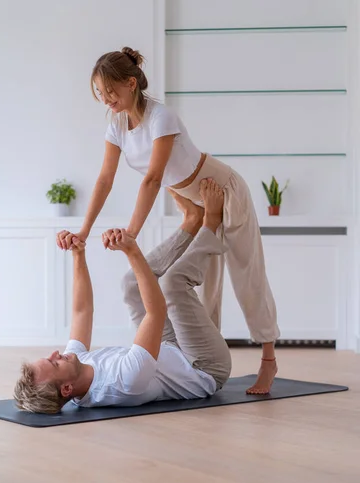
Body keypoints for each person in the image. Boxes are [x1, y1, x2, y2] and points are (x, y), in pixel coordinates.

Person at [56, 47, 280, 395]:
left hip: (221, 189)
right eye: (100, 93)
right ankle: (203, 362)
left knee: (246, 274)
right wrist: (83, 231)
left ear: (131, 84)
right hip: (191, 198)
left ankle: (268, 361)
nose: (106, 100)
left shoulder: (162, 118)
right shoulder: (117, 125)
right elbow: (104, 180)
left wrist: (130, 234)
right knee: (203, 287)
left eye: (110, 92)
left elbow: (153, 179)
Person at [14, 180, 231, 414]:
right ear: (67, 389)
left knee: (130, 284)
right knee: (172, 284)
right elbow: (156, 313)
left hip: (168, 348)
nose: (56, 354)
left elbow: (81, 310)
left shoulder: (74, 367)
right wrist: (131, 250)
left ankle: (191, 221)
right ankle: (211, 223)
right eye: (54, 363)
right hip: (200, 365)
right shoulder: (123, 381)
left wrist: (78, 254)